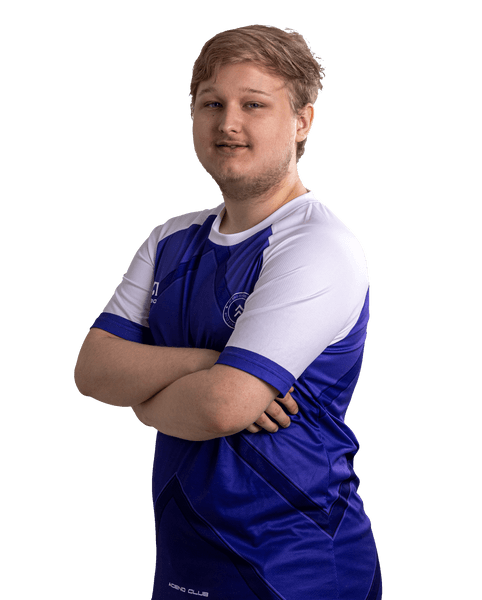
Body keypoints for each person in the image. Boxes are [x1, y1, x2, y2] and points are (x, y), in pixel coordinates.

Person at [74, 24, 382, 600]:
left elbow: (222, 407)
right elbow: (92, 370)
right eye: (211, 103)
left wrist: (141, 400)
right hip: (184, 560)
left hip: (296, 566)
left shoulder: (316, 246)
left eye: (254, 104)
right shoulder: (170, 239)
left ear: (303, 121)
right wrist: (207, 362)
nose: (228, 123)